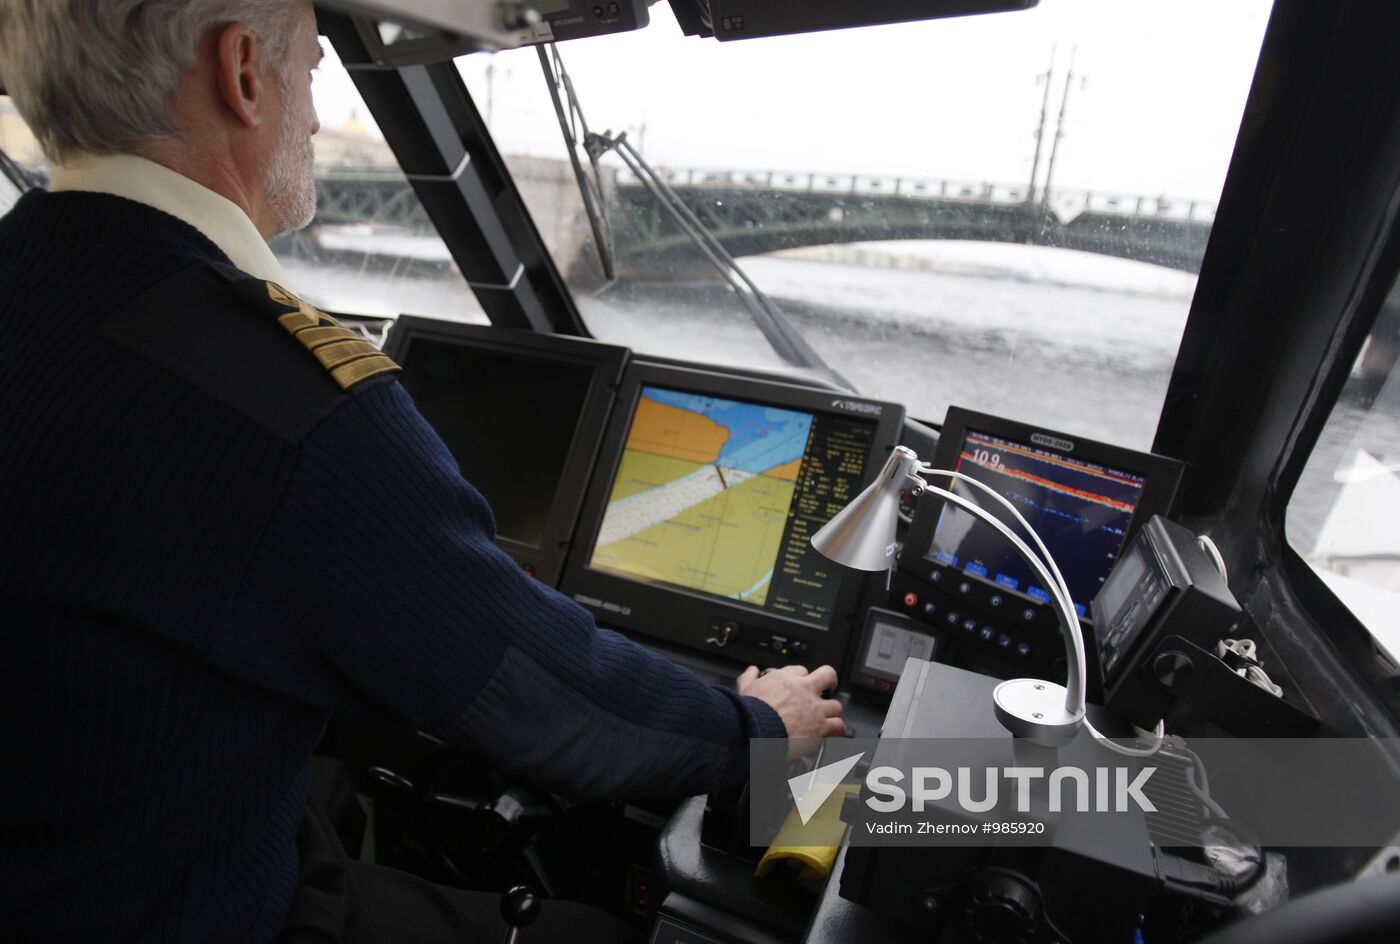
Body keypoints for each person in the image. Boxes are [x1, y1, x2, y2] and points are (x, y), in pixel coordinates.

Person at [0, 1, 845, 940]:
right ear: (243, 74)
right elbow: (554, 707)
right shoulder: (285, 402)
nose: (317, 118)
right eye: (314, 71)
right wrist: (760, 729)